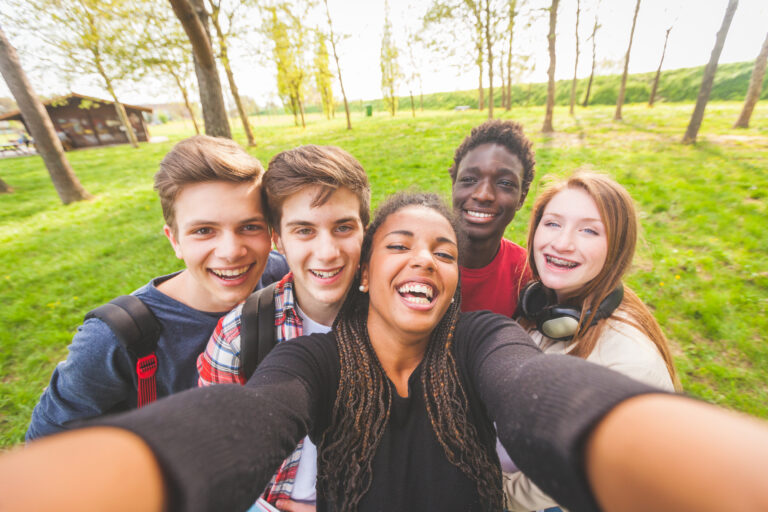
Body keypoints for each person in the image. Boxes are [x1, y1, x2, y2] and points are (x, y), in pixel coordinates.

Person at [4, 193, 768, 512]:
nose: (423, 261)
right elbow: (243, 419)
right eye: (399, 244)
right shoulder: (314, 362)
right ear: (366, 272)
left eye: (441, 251)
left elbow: (545, 394)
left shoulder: (479, 340)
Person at [25, 135, 288, 441]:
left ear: (270, 233)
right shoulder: (114, 339)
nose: (231, 251)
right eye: (204, 231)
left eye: (249, 227)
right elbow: (46, 444)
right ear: (174, 240)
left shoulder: (280, 275)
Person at [197, 145, 369, 511]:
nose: (327, 252)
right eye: (304, 230)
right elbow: (213, 471)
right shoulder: (239, 337)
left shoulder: (397, 322)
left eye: (343, 227)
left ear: (364, 230)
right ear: (278, 239)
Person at [502, 172, 681, 511]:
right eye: (553, 224)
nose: (562, 243)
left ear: (616, 249)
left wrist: (473, 482)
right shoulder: (543, 310)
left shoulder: (629, 365)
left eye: (589, 230)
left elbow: (543, 494)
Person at [449, 120, 535, 316]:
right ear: (454, 185)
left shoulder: (525, 273)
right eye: (469, 179)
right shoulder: (418, 259)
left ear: (522, 197)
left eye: (505, 183)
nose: (483, 194)